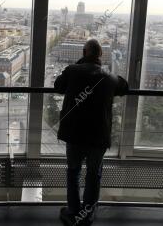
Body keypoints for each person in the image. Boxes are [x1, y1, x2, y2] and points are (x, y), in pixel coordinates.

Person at [54, 39, 129, 226]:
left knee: (73, 172)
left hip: (74, 133)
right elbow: (124, 87)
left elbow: (58, 86)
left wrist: (79, 64)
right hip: (98, 136)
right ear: (101, 56)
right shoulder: (110, 78)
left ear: (84, 52)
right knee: (94, 175)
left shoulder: (73, 71)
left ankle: (72, 210)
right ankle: (87, 214)